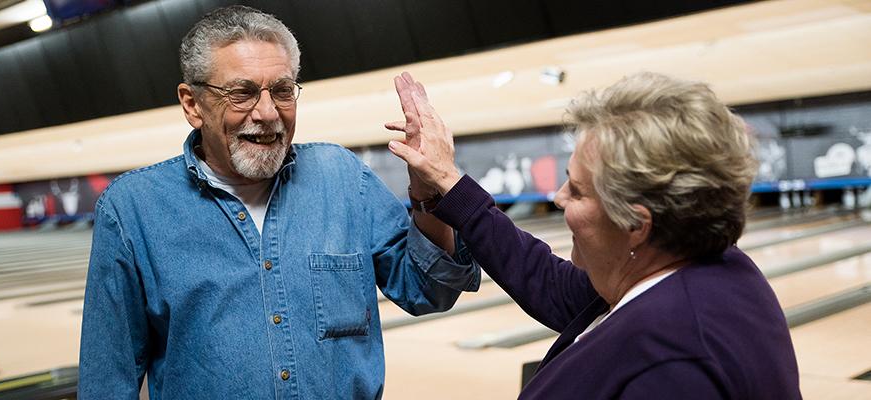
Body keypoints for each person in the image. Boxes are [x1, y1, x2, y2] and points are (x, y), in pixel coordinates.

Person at [78, 6, 480, 399]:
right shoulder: (133, 209)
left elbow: (429, 291)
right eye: (242, 93)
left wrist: (428, 191)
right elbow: (108, 380)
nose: (268, 112)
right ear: (192, 104)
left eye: (283, 91)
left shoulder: (342, 177)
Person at [387, 72, 801, 398]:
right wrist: (447, 181)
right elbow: (547, 282)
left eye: (578, 190)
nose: (558, 196)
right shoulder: (699, 271)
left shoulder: (677, 368)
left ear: (636, 224)